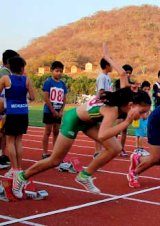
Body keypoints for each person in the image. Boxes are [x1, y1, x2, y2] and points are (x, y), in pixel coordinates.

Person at [12, 46, 151, 197]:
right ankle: (21, 177)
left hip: (89, 122)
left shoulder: (126, 96)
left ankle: (85, 175)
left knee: (115, 148)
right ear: (131, 105)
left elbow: (123, 74)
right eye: (143, 112)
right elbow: (103, 135)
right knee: (55, 161)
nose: (144, 116)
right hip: (74, 119)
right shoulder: (112, 109)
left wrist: (107, 56)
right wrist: (125, 123)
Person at [0, 56, 35, 178]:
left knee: (10, 141)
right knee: (19, 141)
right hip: (23, 113)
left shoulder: (5, 78)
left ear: (10, 66)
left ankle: (14, 169)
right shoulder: (27, 80)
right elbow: (32, 97)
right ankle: (19, 168)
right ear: (21, 67)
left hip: (11, 112)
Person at [41, 61, 68, 159]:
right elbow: (46, 98)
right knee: (47, 131)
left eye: (61, 71)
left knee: (56, 131)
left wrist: (61, 111)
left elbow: (64, 99)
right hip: (49, 111)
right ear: (52, 71)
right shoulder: (48, 82)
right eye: (57, 71)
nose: (59, 73)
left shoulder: (62, 84)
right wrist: (53, 111)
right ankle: (44, 152)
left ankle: (55, 152)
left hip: (58, 111)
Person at [0, 50, 19, 169]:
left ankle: (2, 155)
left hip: (5, 106)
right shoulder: (4, 72)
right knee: (1, 133)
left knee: (3, 133)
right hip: (2, 107)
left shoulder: (6, 72)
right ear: (9, 62)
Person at [93, 57, 114, 159]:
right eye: (111, 64)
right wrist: (111, 96)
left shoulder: (107, 77)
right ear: (106, 65)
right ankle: (97, 151)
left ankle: (100, 149)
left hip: (106, 105)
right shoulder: (102, 77)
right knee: (100, 128)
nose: (113, 66)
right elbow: (101, 92)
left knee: (104, 128)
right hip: (100, 105)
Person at [114, 64, 134, 157]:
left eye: (130, 73)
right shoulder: (118, 82)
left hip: (127, 108)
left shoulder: (132, 83)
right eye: (127, 72)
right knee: (117, 129)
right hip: (119, 107)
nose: (128, 74)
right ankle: (113, 147)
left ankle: (122, 148)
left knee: (124, 130)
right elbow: (120, 91)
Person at [134, 81, 151, 152]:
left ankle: (137, 147)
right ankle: (140, 148)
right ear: (142, 89)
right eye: (145, 89)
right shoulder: (144, 97)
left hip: (138, 116)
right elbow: (143, 107)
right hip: (142, 117)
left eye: (148, 89)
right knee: (141, 133)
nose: (147, 91)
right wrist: (145, 115)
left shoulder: (140, 95)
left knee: (138, 133)